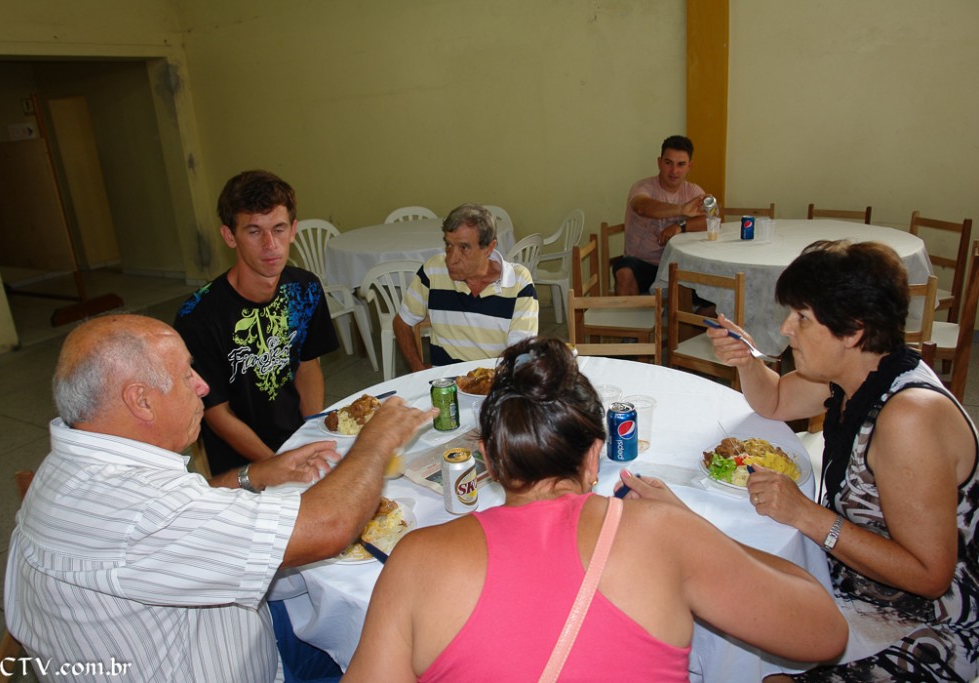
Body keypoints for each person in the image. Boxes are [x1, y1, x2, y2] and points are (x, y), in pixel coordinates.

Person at [343, 336, 847, 682]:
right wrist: (695, 526)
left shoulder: (414, 560)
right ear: (594, 456)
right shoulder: (664, 533)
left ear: (489, 461)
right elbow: (825, 634)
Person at [5, 314, 433, 683]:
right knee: (418, 644)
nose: (203, 386)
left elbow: (175, 516)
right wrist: (377, 439)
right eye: (186, 375)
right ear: (140, 401)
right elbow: (328, 527)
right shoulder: (142, 513)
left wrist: (252, 475)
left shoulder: (74, 467)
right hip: (246, 667)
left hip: (229, 632)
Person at [708, 240, 979, 682]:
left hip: (926, 623)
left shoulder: (908, 420)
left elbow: (930, 576)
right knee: (725, 607)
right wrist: (747, 361)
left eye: (802, 317)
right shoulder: (855, 374)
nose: (786, 328)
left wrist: (805, 514)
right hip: (855, 581)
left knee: (749, 654)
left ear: (853, 331)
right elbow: (775, 400)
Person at [175, 170, 338, 476]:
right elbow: (217, 413)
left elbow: (307, 367)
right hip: (239, 464)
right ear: (229, 236)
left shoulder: (305, 289)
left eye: (278, 229)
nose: (270, 244)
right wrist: (278, 464)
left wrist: (312, 433)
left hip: (295, 439)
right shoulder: (197, 316)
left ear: (293, 230)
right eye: (254, 231)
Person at [393, 203, 539, 371]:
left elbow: (520, 353)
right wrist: (417, 368)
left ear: (489, 248)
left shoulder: (518, 282)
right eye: (449, 245)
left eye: (464, 247)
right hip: (445, 381)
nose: (451, 259)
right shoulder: (433, 270)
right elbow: (401, 322)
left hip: (494, 379)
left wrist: (490, 381)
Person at [613, 134, 707, 297]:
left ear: (689, 166)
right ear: (659, 162)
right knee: (624, 272)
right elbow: (642, 207)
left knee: (717, 287)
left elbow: (710, 221)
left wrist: (680, 226)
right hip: (644, 263)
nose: (674, 171)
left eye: (681, 164)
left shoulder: (693, 191)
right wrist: (682, 209)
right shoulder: (642, 187)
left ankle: (681, 315)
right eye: (668, 163)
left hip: (678, 265)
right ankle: (634, 315)